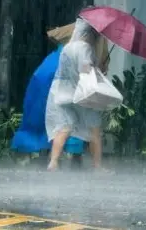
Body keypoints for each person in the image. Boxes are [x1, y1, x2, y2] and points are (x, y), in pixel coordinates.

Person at [45, 17, 109, 171]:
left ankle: (53, 162)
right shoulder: (85, 48)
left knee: (64, 127)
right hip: (80, 95)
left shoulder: (68, 47)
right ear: (91, 35)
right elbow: (85, 69)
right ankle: (97, 167)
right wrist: (98, 69)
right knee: (94, 129)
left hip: (61, 93)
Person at [10, 44, 84, 164]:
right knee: (68, 126)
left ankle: (45, 156)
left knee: (40, 123)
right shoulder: (73, 59)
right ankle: (58, 159)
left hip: (41, 91)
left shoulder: (53, 58)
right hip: (58, 93)